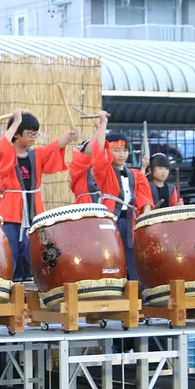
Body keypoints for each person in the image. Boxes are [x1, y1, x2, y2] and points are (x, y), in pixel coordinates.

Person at [0, 109, 76, 280]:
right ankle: (10, 285)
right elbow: (2, 146)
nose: (33, 138)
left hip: (34, 209)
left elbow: (54, 147)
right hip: (11, 210)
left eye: (35, 134)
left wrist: (68, 138)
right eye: (30, 134)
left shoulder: (36, 154)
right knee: (11, 250)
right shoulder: (8, 154)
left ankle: (31, 284)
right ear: (17, 134)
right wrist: (16, 121)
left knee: (33, 249)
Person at [92, 129, 154, 280]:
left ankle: (137, 290)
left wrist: (145, 213)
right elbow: (98, 154)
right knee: (112, 255)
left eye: (125, 150)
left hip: (131, 221)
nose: (122, 154)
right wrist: (102, 126)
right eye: (116, 150)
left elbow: (144, 195)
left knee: (133, 256)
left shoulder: (136, 174)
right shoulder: (104, 171)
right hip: (111, 220)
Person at [69, 111, 109, 204]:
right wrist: (103, 123)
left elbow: (99, 148)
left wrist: (100, 126)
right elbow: (95, 147)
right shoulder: (78, 165)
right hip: (85, 209)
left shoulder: (99, 167)